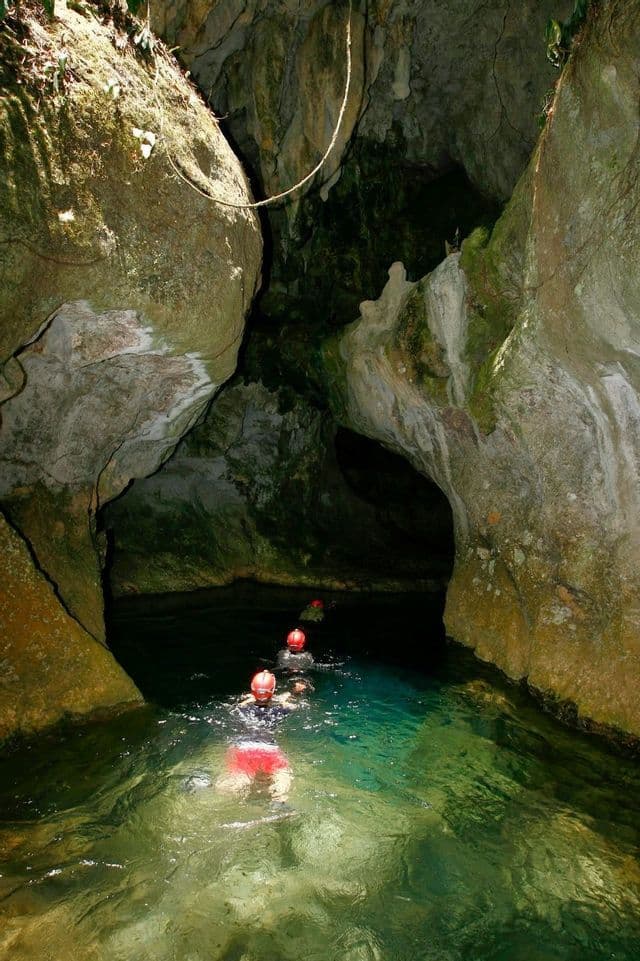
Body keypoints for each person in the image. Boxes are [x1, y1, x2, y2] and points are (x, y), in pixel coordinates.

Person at [216, 671, 298, 803]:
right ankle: (279, 800)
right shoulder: (279, 711)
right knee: (282, 776)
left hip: (244, 748)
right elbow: (293, 706)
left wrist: (249, 699)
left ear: (252, 691)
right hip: (269, 749)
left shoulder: (240, 709)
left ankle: (210, 787)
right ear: (272, 691)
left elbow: (236, 707)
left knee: (238, 781)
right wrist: (283, 700)